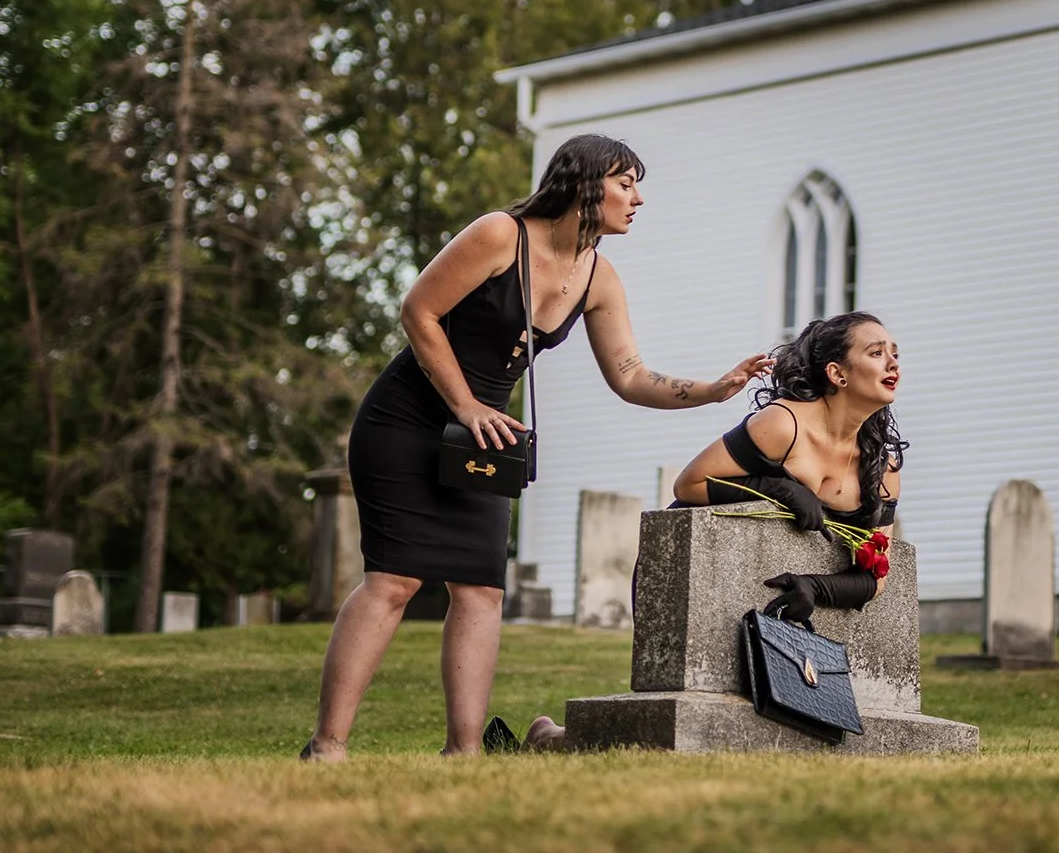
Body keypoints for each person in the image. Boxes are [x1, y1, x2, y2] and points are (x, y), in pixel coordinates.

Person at [305, 134, 770, 760]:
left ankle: (463, 754)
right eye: (625, 183)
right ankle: (328, 747)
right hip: (407, 420)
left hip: (484, 439)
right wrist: (467, 405)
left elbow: (631, 375)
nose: (637, 199)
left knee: (481, 589)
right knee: (394, 580)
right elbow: (418, 310)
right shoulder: (501, 235)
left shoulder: (598, 277)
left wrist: (713, 389)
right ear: (583, 184)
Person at [672, 311, 907, 622]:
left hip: (770, 597)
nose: (893, 363)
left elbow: (875, 577)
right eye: (877, 353)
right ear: (837, 374)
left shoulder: (882, 470)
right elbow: (688, 485)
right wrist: (779, 488)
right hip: (697, 567)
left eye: (894, 354)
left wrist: (814, 587)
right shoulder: (785, 423)